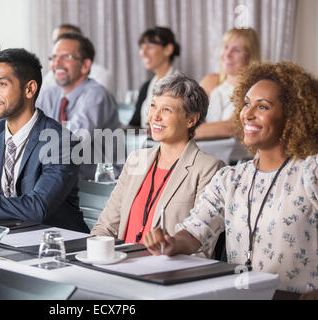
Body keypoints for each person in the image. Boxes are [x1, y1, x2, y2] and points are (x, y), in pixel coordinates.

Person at [144, 62, 318, 298]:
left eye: (263, 107)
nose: (247, 113)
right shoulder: (231, 178)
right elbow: (196, 230)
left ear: (292, 116)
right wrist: (171, 243)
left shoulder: (310, 172)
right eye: (246, 104)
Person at [92, 73, 225, 254]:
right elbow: (105, 227)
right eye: (153, 106)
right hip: (120, 265)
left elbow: (201, 246)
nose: (155, 116)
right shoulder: (136, 160)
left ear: (191, 120)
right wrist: (96, 257)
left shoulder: (210, 168)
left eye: (167, 110)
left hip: (166, 272)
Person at [0, 48, 89, 233]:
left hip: (56, 247)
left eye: (2, 84)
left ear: (29, 89)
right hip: (4, 242)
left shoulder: (62, 142)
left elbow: (36, 208)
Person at [37, 32, 121, 180]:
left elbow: (72, 143)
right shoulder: (48, 94)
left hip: (99, 185)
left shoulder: (96, 95)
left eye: (66, 57)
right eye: (54, 57)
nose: (57, 63)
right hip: (61, 180)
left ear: (85, 65)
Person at [195, 27, 260, 140]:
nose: (227, 54)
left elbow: (231, 127)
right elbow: (185, 113)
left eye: (236, 50)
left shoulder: (253, 89)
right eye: (226, 47)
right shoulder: (210, 80)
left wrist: (180, 131)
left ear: (250, 57)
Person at [129, 26, 180, 129]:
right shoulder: (146, 87)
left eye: (150, 47)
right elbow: (135, 124)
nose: (143, 53)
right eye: (142, 48)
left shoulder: (181, 86)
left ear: (168, 49)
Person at [40, 24, 115, 94]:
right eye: (56, 41)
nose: (59, 45)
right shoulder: (52, 75)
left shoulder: (101, 75)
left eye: (65, 39)